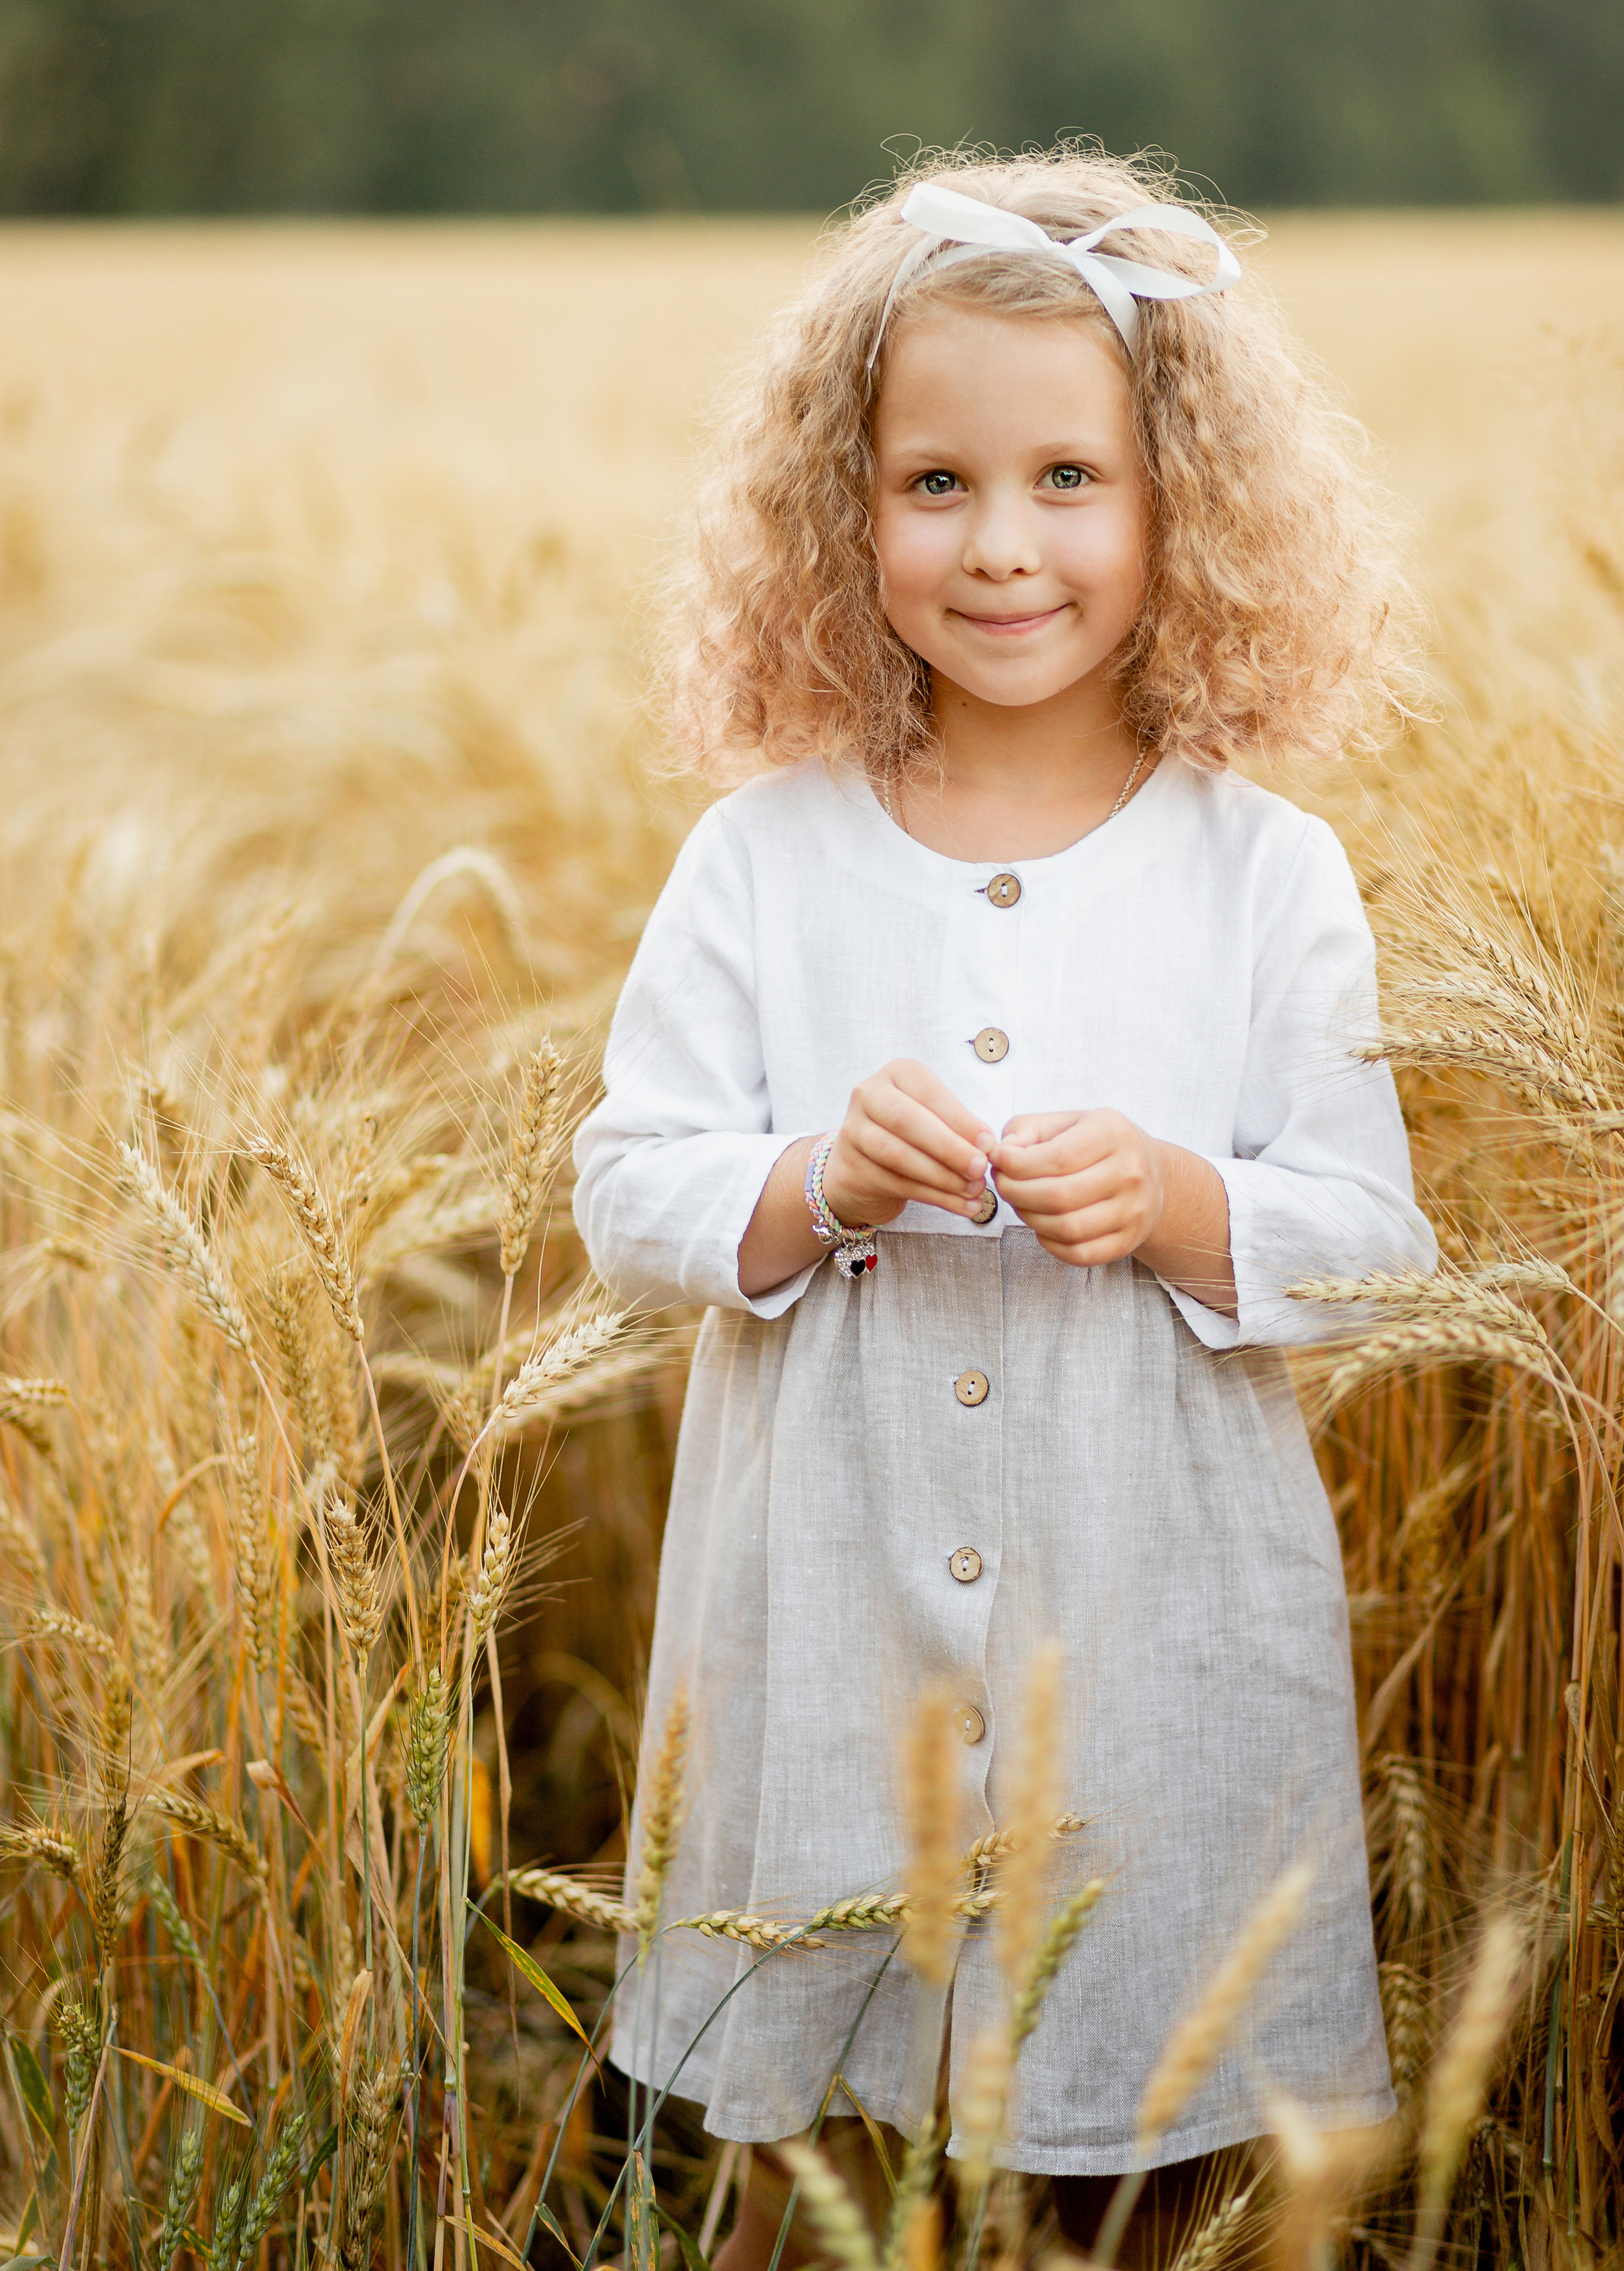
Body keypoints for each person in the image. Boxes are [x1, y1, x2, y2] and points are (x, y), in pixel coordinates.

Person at [572, 145, 1435, 2267]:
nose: (1002, 546)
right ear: (839, 510)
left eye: (1071, 478)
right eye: (935, 484)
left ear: (1179, 511)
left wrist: (1172, 1200)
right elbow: (629, 1186)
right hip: (829, 1610)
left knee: (1128, 2113)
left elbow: (1376, 1245)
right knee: (825, 2124)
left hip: (1151, 1611)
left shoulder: (1266, 872)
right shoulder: (764, 857)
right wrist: (800, 1185)